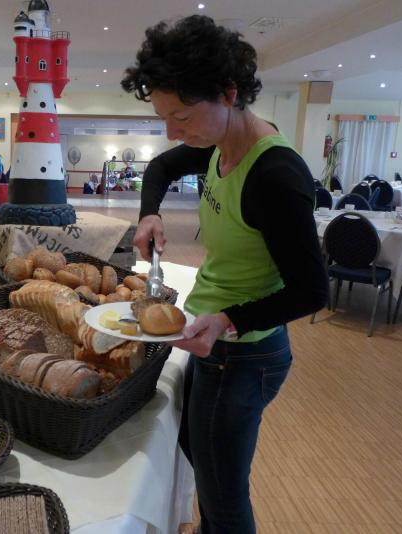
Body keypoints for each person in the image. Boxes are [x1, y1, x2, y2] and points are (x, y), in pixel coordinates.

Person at [121, 15, 327, 534]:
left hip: (244, 353)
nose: (173, 132)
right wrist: (149, 214)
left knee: (224, 495)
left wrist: (228, 321)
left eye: (182, 116)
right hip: (217, 341)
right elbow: (161, 168)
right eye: (164, 117)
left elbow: (312, 291)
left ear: (229, 94)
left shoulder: (275, 176)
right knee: (199, 449)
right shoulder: (218, 143)